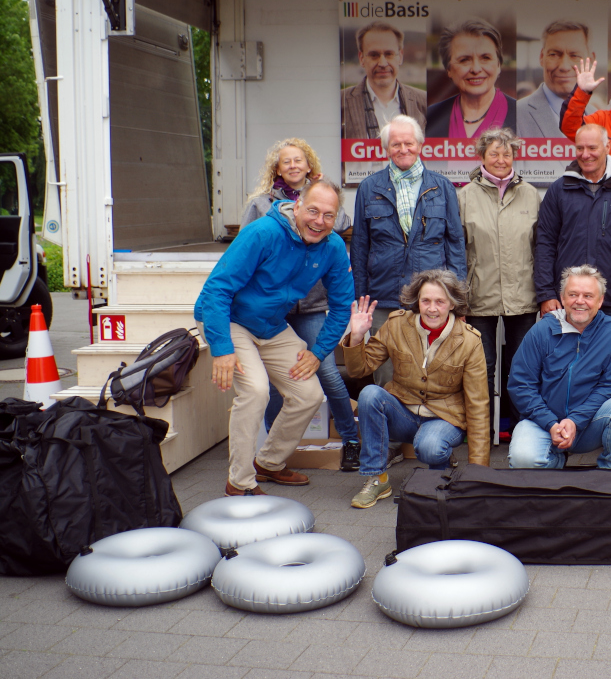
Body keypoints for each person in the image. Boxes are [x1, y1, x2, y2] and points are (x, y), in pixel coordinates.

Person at [195, 180, 353, 496]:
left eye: (328, 215)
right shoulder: (262, 233)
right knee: (255, 390)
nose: (319, 221)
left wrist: (319, 351)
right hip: (230, 320)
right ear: (296, 206)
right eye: (313, 211)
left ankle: (268, 463)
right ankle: (239, 482)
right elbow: (216, 290)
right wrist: (223, 347)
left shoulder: (332, 246)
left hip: (270, 326)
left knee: (308, 394)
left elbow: (341, 306)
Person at [241, 139, 359, 471]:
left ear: (309, 165)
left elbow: (341, 224)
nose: (293, 166)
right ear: (277, 169)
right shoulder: (262, 205)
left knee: (325, 370)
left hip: (311, 305)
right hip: (272, 312)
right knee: (277, 379)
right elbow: (246, 251)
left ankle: (350, 439)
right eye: (286, 162)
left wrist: (321, 190)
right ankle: (274, 448)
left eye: (299, 160)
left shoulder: (322, 197)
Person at [341, 272, 489, 509]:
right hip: (404, 414)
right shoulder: (396, 324)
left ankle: (437, 476)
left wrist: (479, 473)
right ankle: (377, 478)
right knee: (370, 394)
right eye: (425, 301)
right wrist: (357, 336)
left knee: (430, 446)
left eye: (440, 301)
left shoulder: (469, 341)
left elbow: (478, 405)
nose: (432, 308)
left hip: (445, 418)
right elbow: (361, 370)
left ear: (452, 304)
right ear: (416, 301)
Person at [351, 114, 466, 385]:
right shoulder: (369, 188)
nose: (403, 149)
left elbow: (455, 244)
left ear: (420, 145)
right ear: (386, 149)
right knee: (386, 372)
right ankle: (387, 425)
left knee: (432, 369)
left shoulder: (442, 187)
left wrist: (457, 298)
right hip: (383, 297)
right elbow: (359, 247)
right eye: (396, 144)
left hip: (431, 298)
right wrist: (360, 298)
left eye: (409, 143)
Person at [508, 265, 611, 469]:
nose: (580, 301)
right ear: (562, 298)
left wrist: (574, 421)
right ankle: (556, 460)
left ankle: (610, 470)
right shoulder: (541, 330)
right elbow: (520, 385)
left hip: (589, 424)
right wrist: (551, 423)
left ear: (600, 300)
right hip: (544, 423)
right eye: (573, 294)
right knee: (522, 460)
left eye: (588, 295)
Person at [457, 127, 540, 426]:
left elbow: (539, 246)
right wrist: (459, 299)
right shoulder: (464, 196)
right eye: (494, 153)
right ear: (482, 156)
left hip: (524, 296)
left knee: (521, 367)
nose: (501, 159)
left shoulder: (531, 194)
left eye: (507, 153)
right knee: (482, 366)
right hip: (478, 296)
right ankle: (481, 432)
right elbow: (458, 249)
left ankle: (523, 429)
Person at [534, 123, 611, 322]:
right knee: (566, 353)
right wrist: (546, 293)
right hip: (569, 299)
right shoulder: (559, 190)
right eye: (580, 148)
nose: (585, 154)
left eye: (592, 148)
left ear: (607, 148)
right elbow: (545, 244)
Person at [426, 19, 517, 139]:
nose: (476, 69)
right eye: (464, 60)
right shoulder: (430, 117)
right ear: (448, 69)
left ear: (499, 64)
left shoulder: (520, 114)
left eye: (485, 58)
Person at [341, 21, 427, 139]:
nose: (382, 63)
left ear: (400, 57)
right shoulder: (341, 101)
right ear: (361, 58)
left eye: (389, 54)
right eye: (374, 55)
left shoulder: (424, 102)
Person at [516, 20, 597, 138]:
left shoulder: (597, 117)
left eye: (574, 55)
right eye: (554, 54)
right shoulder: (517, 114)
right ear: (541, 57)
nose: (564, 66)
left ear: (591, 60)